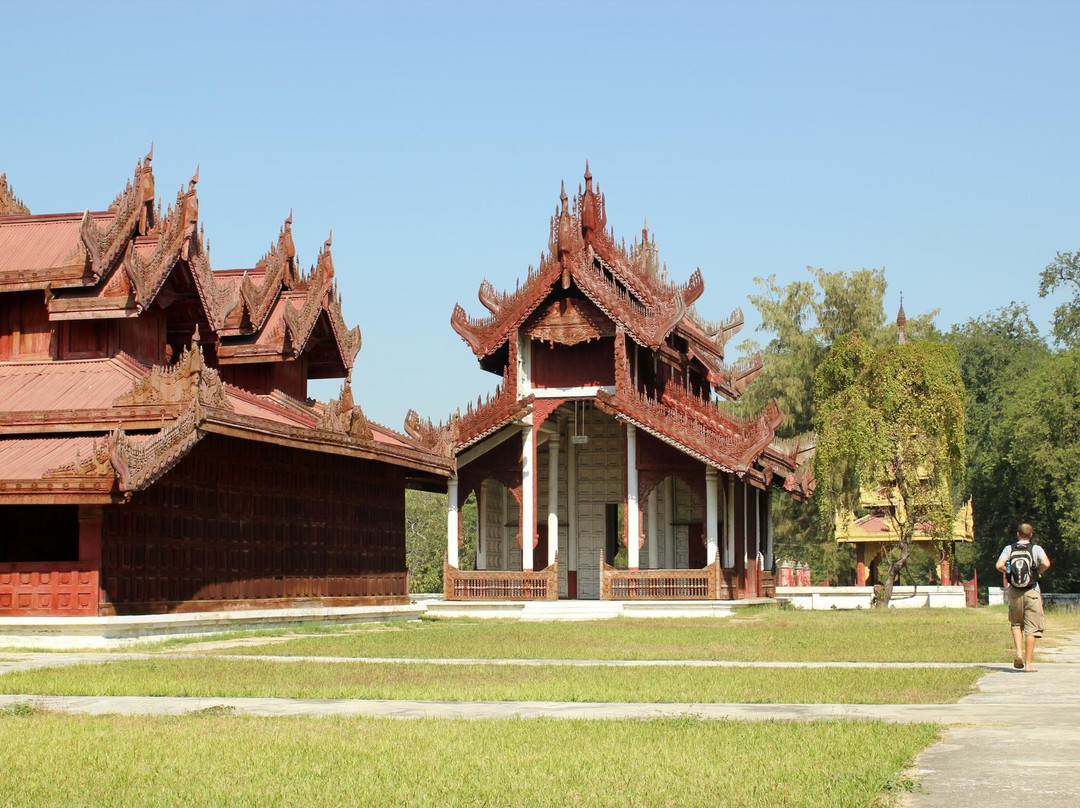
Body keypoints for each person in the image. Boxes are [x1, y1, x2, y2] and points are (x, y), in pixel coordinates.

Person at [995, 524, 1051, 671]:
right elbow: (1046, 563)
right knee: (1032, 629)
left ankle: (1019, 653)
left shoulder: (1009, 549)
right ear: (1031, 535)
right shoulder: (1036, 549)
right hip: (1032, 590)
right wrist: (1038, 572)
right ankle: (1029, 664)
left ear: (1018, 534)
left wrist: (1009, 573)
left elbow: (999, 565)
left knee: (1016, 624)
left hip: (1014, 591)